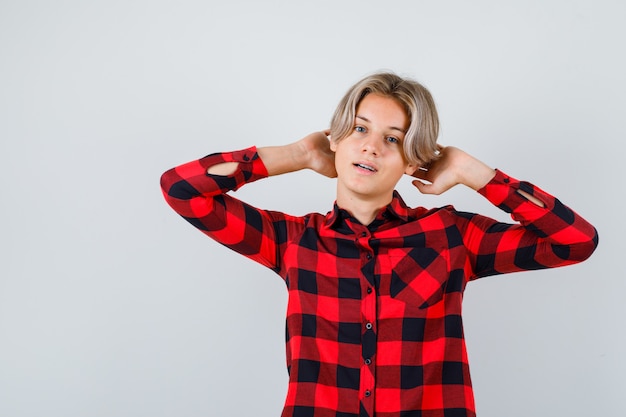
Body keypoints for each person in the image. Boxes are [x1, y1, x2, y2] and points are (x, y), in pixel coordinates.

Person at [160, 72, 598, 417]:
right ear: (335, 139)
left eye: (392, 139)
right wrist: (297, 154)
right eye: (358, 129)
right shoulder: (293, 241)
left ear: (413, 159)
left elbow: (575, 241)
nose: (370, 147)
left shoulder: (452, 238)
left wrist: (473, 171)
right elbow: (182, 189)